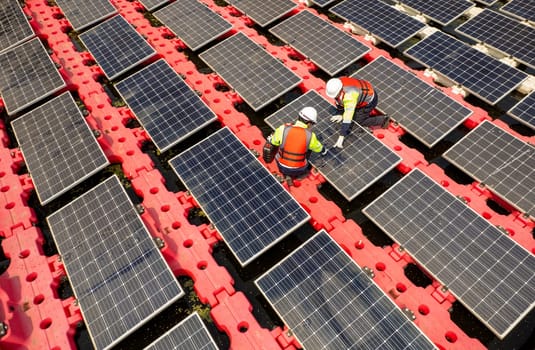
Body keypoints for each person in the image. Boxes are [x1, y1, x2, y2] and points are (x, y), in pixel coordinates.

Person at [325, 77, 390, 148]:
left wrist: (341, 136)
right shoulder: (338, 82)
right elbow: (338, 101)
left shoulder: (350, 96)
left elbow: (347, 118)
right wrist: (341, 114)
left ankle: (383, 120)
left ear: (339, 91)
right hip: (362, 93)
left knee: (358, 121)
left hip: (369, 101)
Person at [267, 106, 327, 179]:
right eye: (312, 124)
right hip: (299, 169)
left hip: (281, 166)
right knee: (309, 147)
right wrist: (324, 150)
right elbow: (318, 148)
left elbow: (274, 143)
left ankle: (287, 174)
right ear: (309, 123)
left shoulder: (283, 128)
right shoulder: (310, 135)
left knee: (280, 143)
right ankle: (298, 175)